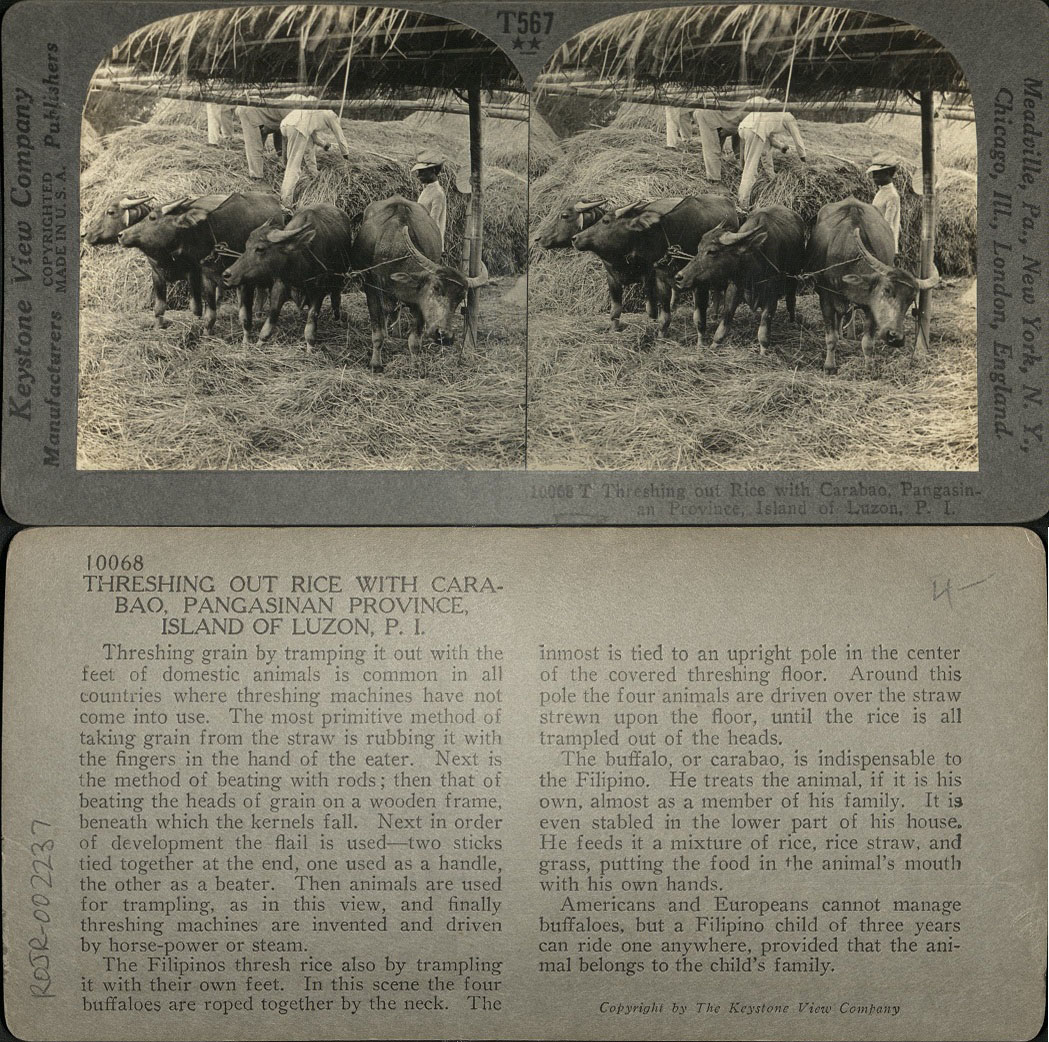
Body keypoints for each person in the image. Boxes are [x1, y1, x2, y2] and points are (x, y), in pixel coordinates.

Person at [737, 96, 808, 208]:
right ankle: (743, 203)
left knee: (760, 154)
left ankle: (771, 175)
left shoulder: (771, 112)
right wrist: (803, 157)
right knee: (750, 170)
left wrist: (780, 146)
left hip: (744, 128)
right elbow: (797, 138)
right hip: (755, 130)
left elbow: (768, 140)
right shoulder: (789, 117)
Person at [279, 94, 351, 206]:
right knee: (294, 167)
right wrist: (345, 153)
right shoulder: (331, 115)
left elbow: (312, 137)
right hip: (297, 127)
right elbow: (339, 135)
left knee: (304, 151)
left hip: (287, 124)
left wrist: (323, 144)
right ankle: (286, 202)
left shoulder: (318, 109)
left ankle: (314, 173)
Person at [691, 99, 747, 182]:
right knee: (712, 148)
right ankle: (714, 179)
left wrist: (740, 161)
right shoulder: (748, 113)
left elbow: (739, 141)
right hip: (707, 115)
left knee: (718, 145)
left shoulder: (746, 114)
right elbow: (742, 141)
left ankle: (714, 167)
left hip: (722, 118)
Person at [236, 98, 286, 180]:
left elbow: (280, 132)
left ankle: (282, 162)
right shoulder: (249, 112)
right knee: (254, 144)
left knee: (275, 133)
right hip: (250, 113)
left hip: (268, 113)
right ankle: (256, 175)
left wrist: (281, 156)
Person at [868, 152, 901, 254]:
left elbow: (887, 225)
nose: (873, 177)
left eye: (877, 174)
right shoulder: (881, 192)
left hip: (883, 244)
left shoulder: (892, 196)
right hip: (876, 238)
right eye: (873, 174)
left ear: (887, 173)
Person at [412, 156, 448, 247]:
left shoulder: (438, 193)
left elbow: (433, 222)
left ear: (433, 171)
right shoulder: (427, 189)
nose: (418, 175)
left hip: (430, 242)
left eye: (422, 172)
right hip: (422, 237)